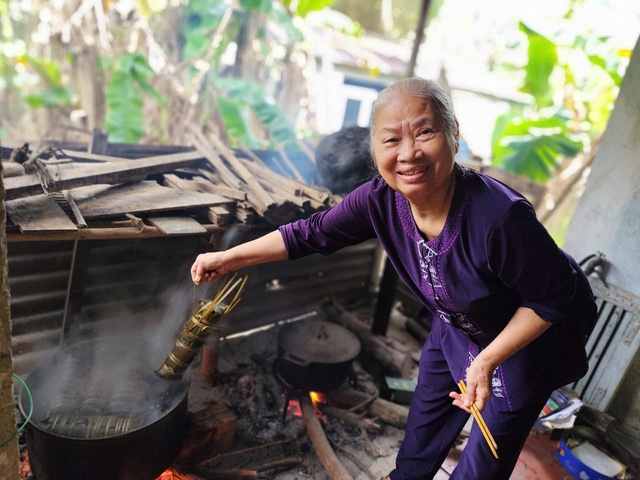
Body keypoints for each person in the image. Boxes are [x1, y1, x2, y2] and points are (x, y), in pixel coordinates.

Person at [191, 77, 597, 480]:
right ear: (375, 150)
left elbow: (552, 298)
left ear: (454, 134)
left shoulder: (500, 218)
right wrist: (228, 258)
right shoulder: (379, 199)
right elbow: (309, 233)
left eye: (424, 132)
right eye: (391, 140)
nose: (408, 154)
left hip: (528, 338)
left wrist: (488, 360)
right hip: (457, 321)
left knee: (483, 459)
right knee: (425, 421)